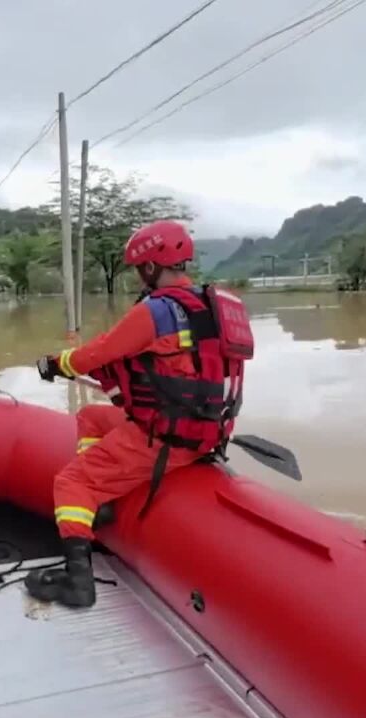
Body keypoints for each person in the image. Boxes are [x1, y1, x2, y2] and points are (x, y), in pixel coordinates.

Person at [27, 220, 254, 608]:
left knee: (71, 482)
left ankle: (78, 581)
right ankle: (104, 504)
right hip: (208, 431)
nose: (138, 277)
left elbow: (98, 353)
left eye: (139, 269)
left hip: (166, 437)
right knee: (92, 419)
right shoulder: (214, 306)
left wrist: (56, 363)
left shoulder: (158, 311)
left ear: (150, 267)